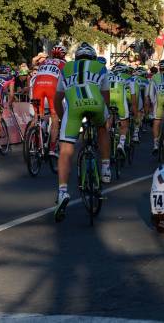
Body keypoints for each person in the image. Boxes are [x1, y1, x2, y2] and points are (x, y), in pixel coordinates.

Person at [53, 43, 111, 222]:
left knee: (65, 150)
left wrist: (63, 118)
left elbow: (57, 99)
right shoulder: (100, 67)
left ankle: (63, 192)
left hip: (73, 108)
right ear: (93, 57)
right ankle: (106, 167)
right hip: (95, 104)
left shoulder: (66, 68)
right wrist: (102, 117)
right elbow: (106, 96)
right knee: (102, 128)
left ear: (76, 57)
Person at [30, 45, 67, 156]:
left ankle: (33, 142)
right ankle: (51, 149)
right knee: (54, 117)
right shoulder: (64, 64)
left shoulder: (44, 62)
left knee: (37, 116)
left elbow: (33, 63)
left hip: (37, 86)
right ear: (63, 55)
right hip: (52, 87)